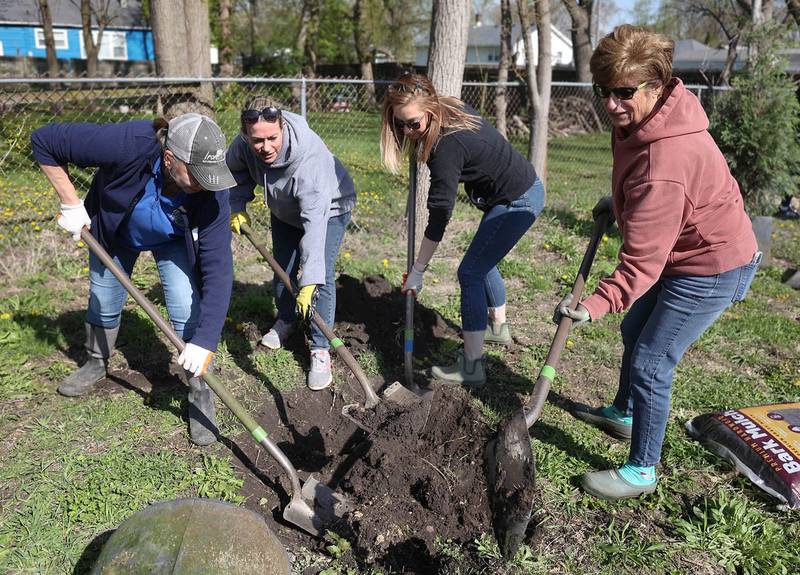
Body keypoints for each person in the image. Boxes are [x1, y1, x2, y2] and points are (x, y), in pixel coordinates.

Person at [553, 25, 761, 499]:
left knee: (651, 360)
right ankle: (625, 415)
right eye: (603, 91)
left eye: (623, 92)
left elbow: (640, 264)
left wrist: (591, 306)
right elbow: (649, 196)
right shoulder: (643, 120)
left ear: (658, 85)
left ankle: (643, 469)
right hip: (682, 250)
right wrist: (620, 201)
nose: (611, 104)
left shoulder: (666, 160)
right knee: (634, 332)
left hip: (712, 267)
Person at [31, 113, 236, 447]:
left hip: (172, 239)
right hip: (116, 233)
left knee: (186, 306)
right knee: (104, 298)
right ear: (170, 159)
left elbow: (219, 267)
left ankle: (200, 389)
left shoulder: (212, 191)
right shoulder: (128, 143)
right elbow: (44, 140)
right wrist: (70, 202)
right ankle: (96, 361)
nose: (206, 183)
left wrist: (206, 340)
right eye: (197, 175)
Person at [380, 73, 545, 386]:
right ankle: (498, 327)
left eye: (413, 124)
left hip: (519, 200)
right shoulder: (448, 109)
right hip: (510, 192)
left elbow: (440, 215)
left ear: (430, 109)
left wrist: (418, 270)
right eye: (400, 124)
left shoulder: (446, 147)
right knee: (483, 260)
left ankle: (472, 366)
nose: (407, 131)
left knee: (470, 272)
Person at [226, 98, 356, 391]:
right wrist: (237, 204)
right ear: (246, 136)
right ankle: (286, 321)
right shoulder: (242, 145)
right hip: (284, 209)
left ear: (282, 127)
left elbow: (314, 223)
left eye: (272, 138)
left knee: (319, 275)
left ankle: (320, 348)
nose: (266, 147)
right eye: (257, 140)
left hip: (329, 208)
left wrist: (309, 280)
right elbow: (234, 171)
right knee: (283, 266)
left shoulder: (308, 158)